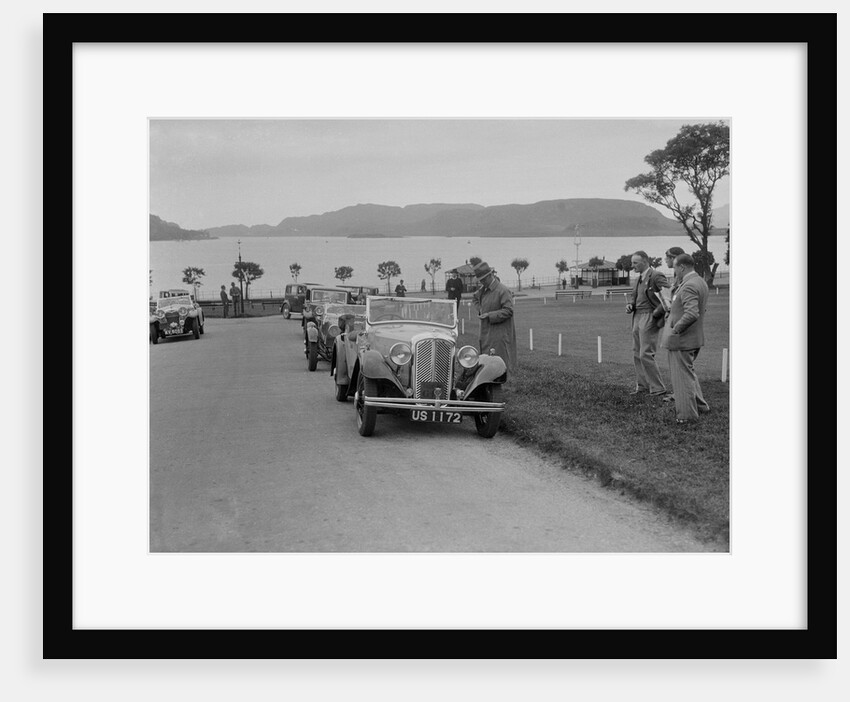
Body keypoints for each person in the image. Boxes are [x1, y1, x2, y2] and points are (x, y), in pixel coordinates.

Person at [660, 253, 711, 423]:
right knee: (689, 374)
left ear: (682, 267)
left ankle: (687, 416)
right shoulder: (699, 281)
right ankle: (701, 406)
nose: (674, 271)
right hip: (692, 338)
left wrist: (676, 329)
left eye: (675, 267)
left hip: (682, 340)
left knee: (682, 379)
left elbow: (692, 313)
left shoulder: (689, 285)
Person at [626, 250, 669, 396]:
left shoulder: (656, 276)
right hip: (637, 316)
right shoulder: (638, 278)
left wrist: (657, 312)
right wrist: (631, 305)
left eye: (635, 263)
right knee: (637, 353)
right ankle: (642, 386)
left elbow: (668, 295)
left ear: (645, 261)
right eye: (632, 263)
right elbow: (635, 296)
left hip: (649, 317)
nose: (633, 266)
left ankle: (658, 388)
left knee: (645, 354)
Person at [472, 260, 517, 373]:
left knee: (499, 365)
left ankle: (499, 388)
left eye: (484, 279)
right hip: (486, 334)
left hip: (499, 335)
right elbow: (474, 298)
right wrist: (481, 310)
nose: (482, 282)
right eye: (480, 280)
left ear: (491, 275)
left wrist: (489, 315)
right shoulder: (482, 290)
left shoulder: (503, 290)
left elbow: (508, 311)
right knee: (486, 364)